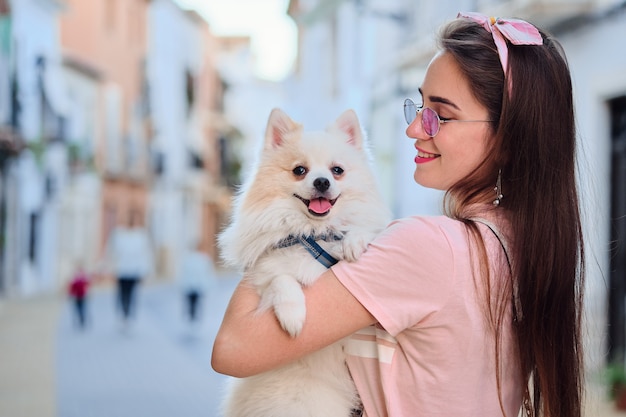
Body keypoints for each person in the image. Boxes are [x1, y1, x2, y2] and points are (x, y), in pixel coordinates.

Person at [211, 11, 585, 417]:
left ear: (508, 137)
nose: (414, 129)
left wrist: (269, 235)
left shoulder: (426, 246)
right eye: (420, 106)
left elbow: (233, 348)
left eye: (440, 115)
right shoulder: (518, 242)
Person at [103, 210, 154, 330]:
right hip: (121, 270)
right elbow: (111, 251)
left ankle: (129, 315)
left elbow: (145, 254)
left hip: (134, 271)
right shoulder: (118, 234)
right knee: (122, 293)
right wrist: (108, 267)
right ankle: (123, 314)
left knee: (132, 294)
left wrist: (146, 271)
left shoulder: (141, 235)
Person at [177, 243, 218, 326]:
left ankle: (192, 316)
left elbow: (183, 273)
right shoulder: (203, 259)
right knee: (196, 301)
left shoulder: (189, 259)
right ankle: (194, 317)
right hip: (197, 285)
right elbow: (208, 273)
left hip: (190, 284)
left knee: (191, 301)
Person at [68, 262, 90, 330]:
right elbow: (72, 288)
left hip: (82, 296)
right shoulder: (75, 280)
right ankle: (81, 318)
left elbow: (87, 285)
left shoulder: (82, 278)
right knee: (79, 308)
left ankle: (82, 318)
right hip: (77, 296)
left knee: (82, 308)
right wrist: (71, 294)